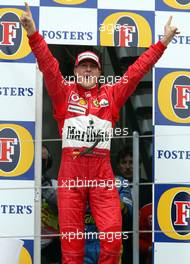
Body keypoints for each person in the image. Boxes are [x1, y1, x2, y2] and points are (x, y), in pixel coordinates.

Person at [20, 3, 179, 263]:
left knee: (113, 240)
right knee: (71, 249)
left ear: (99, 72)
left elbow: (137, 70)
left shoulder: (111, 95)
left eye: (92, 67)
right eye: (83, 66)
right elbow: (48, 66)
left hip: (102, 176)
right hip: (71, 177)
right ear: (75, 71)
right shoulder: (64, 93)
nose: (87, 70)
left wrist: (162, 43)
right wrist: (33, 35)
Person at [84, 174, 132, 264]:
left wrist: (109, 196)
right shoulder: (75, 181)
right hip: (82, 246)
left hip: (110, 246)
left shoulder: (119, 181)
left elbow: (129, 213)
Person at [41, 145, 61, 264]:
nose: (40, 164)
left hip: (50, 247)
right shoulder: (20, 185)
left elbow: (62, 207)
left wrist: (44, 187)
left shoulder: (55, 184)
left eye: (43, 160)